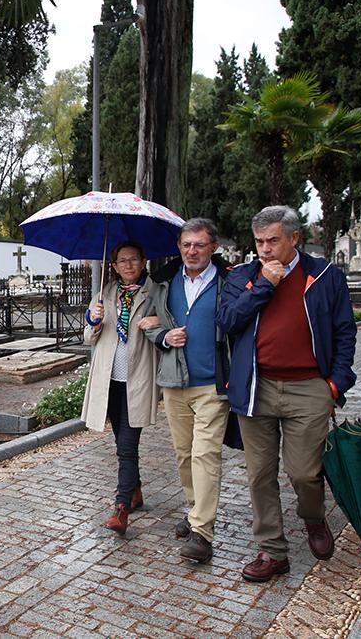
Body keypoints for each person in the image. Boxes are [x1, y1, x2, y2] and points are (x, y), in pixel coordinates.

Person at [218, 206, 357, 583]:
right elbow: (228, 321)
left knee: (303, 473)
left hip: (309, 388)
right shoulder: (242, 276)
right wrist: (266, 284)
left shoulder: (326, 276)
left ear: (294, 239)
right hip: (255, 388)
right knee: (260, 474)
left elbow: (345, 333)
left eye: (273, 241)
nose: (264, 249)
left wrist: (335, 384)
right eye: (259, 241)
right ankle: (273, 552)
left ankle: (313, 517)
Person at [144, 218, 232, 564]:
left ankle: (202, 533)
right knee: (184, 454)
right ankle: (195, 508)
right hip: (175, 381)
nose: (191, 251)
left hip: (213, 383)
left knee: (205, 454)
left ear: (213, 247)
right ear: (179, 247)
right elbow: (147, 323)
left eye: (199, 245)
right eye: (186, 245)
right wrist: (164, 336)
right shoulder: (164, 281)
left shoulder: (229, 280)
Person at [83, 241, 161, 535]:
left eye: (134, 260)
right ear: (113, 266)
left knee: (127, 447)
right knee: (122, 444)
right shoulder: (104, 294)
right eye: (122, 261)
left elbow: (166, 327)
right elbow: (88, 337)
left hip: (137, 380)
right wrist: (94, 320)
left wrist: (156, 323)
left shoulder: (154, 293)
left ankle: (121, 507)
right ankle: (136, 490)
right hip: (110, 381)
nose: (128, 265)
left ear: (143, 262)